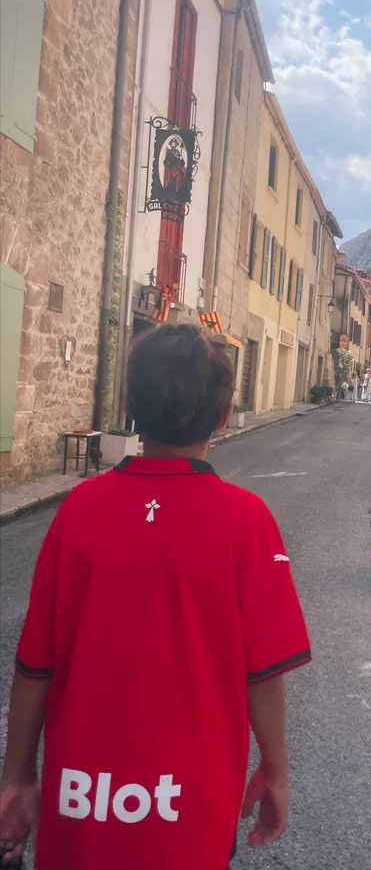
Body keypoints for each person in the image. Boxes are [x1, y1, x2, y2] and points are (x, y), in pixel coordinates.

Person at [0, 325, 311, 870]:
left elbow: (34, 666)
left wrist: (17, 776)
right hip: (191, 808)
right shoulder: (246, 521)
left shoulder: (79, 510)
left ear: (130, 406)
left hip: (84, 799)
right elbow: (263, 675)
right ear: (223, 416)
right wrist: (276, 770)